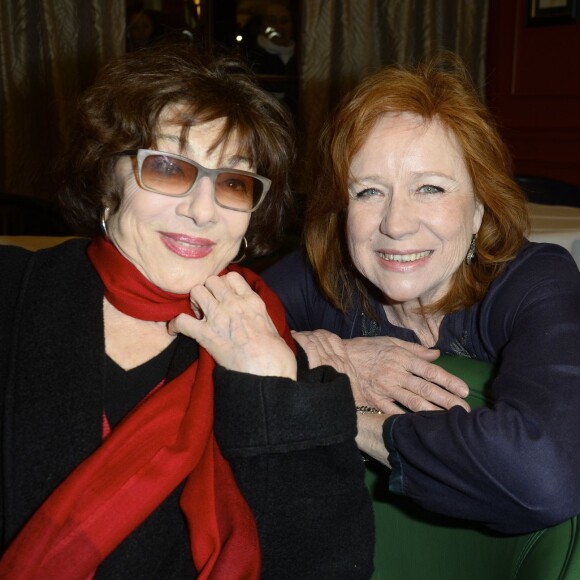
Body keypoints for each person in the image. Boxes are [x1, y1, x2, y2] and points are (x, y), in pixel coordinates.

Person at [0, 41, 374, 579]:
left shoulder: (264, 341)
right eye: (170, 168)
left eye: (233, 182)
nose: (203, 210)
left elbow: (328, 562)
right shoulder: (16, 296)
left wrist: (273, 390)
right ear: (109, 179)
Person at [263, 53, 580, 535]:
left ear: (479, 209)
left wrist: (342, 414)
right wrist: (312, 352)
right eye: (368, 191)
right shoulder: (327, 274)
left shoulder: (536, 282)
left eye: (430, 188)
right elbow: (192, 333)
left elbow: (543, 475)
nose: (396, 223)